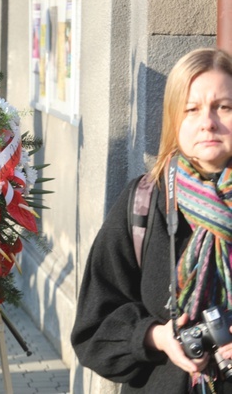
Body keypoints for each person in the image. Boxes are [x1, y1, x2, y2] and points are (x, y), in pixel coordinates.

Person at [71, 47, 232, 393]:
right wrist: (157, 336)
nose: (208, 122)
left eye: (224, 107)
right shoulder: (143, 202)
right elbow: (92, 328)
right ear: (174, 120)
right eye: (191, 110)